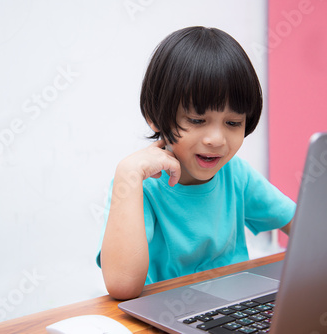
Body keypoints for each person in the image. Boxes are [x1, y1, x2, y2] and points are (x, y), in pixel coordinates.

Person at [96, 26, 296, 300]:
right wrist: (127, 172)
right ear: (156, 116)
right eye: (197, 120)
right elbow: (122, 286)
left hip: (235, 309)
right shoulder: (139, 186)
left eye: (233, 123)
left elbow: (302, 227)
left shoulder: (235, 174)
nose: (216, 139)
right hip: (166, 314)